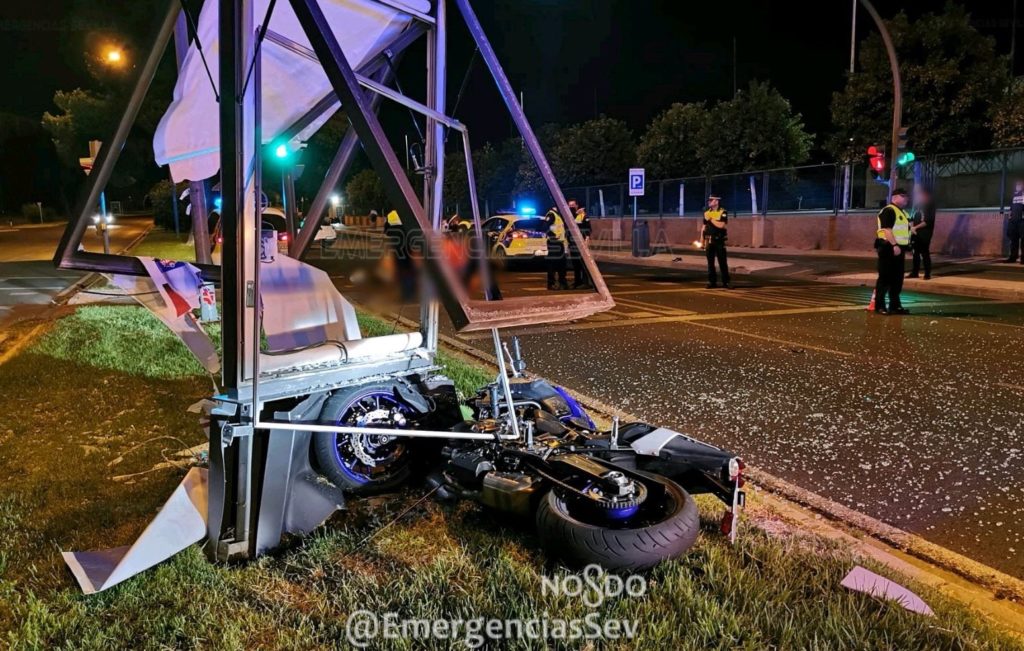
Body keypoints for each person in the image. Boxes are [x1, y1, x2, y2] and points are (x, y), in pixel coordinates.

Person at [873, 188, 912, 315]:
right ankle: (879, 306)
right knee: (885, 278)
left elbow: (906, 230)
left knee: (897, 279)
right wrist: (894, 245)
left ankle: (895, 306)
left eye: (906, 196)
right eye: (903, 195)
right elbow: (887, 230)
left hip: (899, 249)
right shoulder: (888, 210)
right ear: (894, 197)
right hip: (888, 248)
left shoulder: (903, 213)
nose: (906, 198)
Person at [700, 194, 731, 289]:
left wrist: (711, 219)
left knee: (722, 262)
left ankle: (726, 282)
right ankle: (712, 282)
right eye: (709, 200)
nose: (709, 202)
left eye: (711, 200)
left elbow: (721, 225)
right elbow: (704, 226)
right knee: (710, 263)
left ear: (716, 201)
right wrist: (701, 239)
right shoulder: (706, 212)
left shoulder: (723, 212)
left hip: (719, 240)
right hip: (709, 240)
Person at [908, 185, 936, 280]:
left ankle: (927, 273)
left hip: (925, 233)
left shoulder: (930, 206)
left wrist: (915, 227)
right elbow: (911, 217)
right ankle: (915, 272)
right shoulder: (917, 205)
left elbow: (927, 221)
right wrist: (912, 227)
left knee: (924, 252)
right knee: (915, 252)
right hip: (915, 233)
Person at [566, 199, 592, 288]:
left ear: (577, 205)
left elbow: (588, 229)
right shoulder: (569, 216)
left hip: (581, 243)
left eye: (573, 205)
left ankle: (585, 283)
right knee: (575, 264)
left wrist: (587, 239)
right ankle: (577, 281)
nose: (571, 207)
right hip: (572, 243)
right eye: (569, 205)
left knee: (583, 263)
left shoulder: (582, 215)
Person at [544, 208, 568, 290]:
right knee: (553, 264)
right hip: (554, 243)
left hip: (559, 242)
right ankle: (552, 284)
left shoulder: (557, 214)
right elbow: (545, 227)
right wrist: (553, 236)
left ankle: (562, 283)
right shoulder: (551, 214)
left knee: (561, 263)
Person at [1005, 180, 1024, 264]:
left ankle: (1023, 258)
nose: (1018, 186)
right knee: (1013, 239)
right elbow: (1011, 207)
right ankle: (1013, 257)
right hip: (1013, 220)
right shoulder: (1014, 194)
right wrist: (1010, 217)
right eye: (1017, 185)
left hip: (1022, 220)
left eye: (1019, 185)